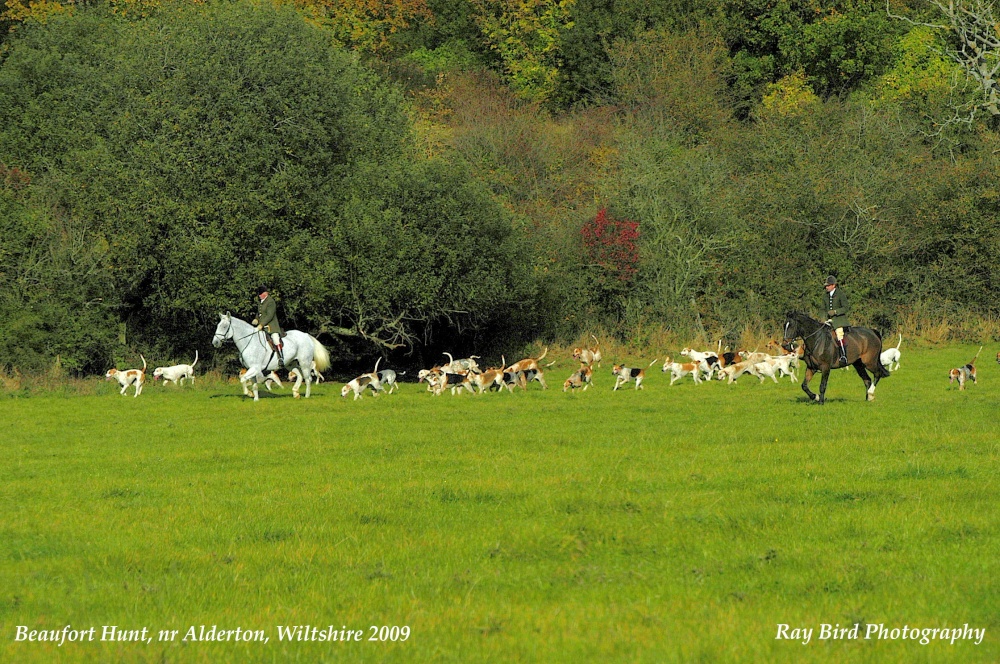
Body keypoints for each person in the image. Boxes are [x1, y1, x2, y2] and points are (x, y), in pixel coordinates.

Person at [823, 275, 850, 367]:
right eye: (826, 286)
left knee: (839, 334)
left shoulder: (840, 294)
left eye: (828, 285)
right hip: (828, 320)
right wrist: (823, 319)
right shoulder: (825, 296)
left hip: (839, 320)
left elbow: (846, 308)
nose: (826, 287)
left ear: (834, 285)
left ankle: (843, 355)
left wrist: (835, 312)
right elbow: (823, 309)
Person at [251, 286, 284, 362]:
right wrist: (256, 319)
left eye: (261, 294)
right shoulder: (260, 302)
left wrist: (261, 324)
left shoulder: (270, 302)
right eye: (259, 294)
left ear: (266, 293)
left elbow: (270, 315)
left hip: (271, 327)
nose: (259, 295)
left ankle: (280, 357)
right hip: (262, 327)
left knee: (275, 339)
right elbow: (260, 313)